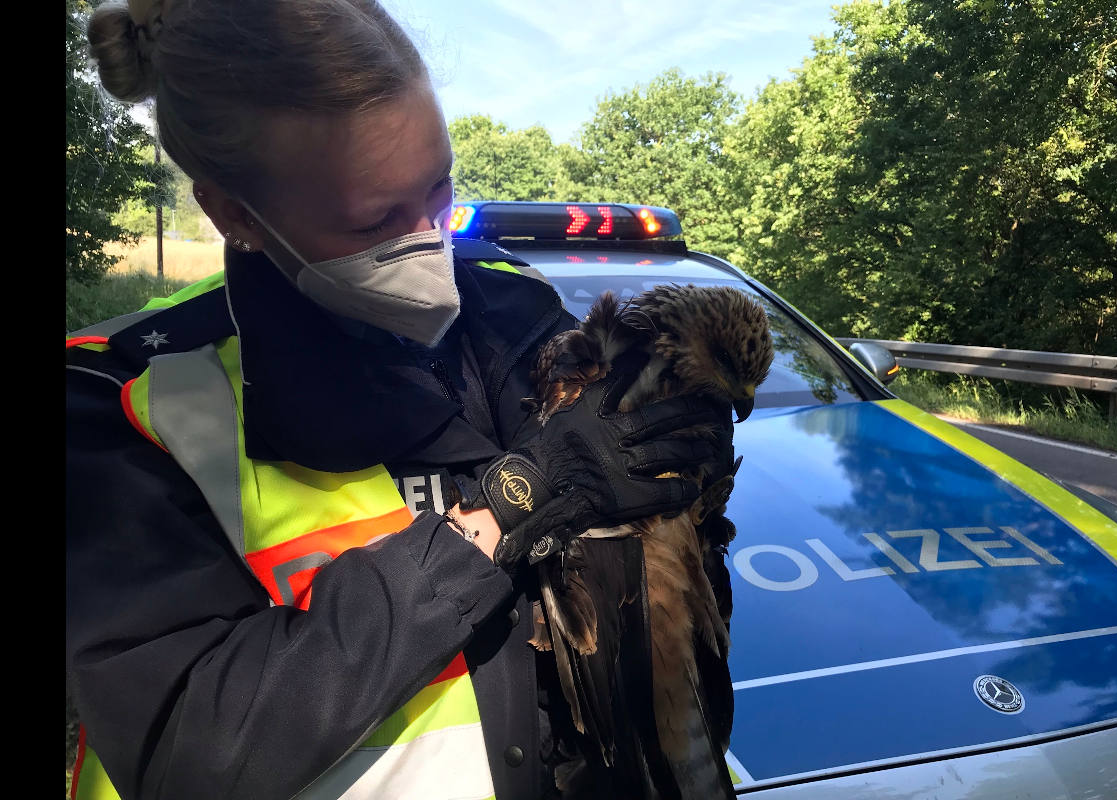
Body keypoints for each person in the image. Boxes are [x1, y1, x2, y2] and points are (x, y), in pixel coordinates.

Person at [65, 1, 736, 799]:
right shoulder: (128, 397)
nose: (429, 239)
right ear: (235, 213)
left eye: (439, 188)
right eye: (375, 219)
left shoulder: (519, 317)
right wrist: (508, 507)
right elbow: (193, 745)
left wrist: (690, 497)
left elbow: (639, 605)